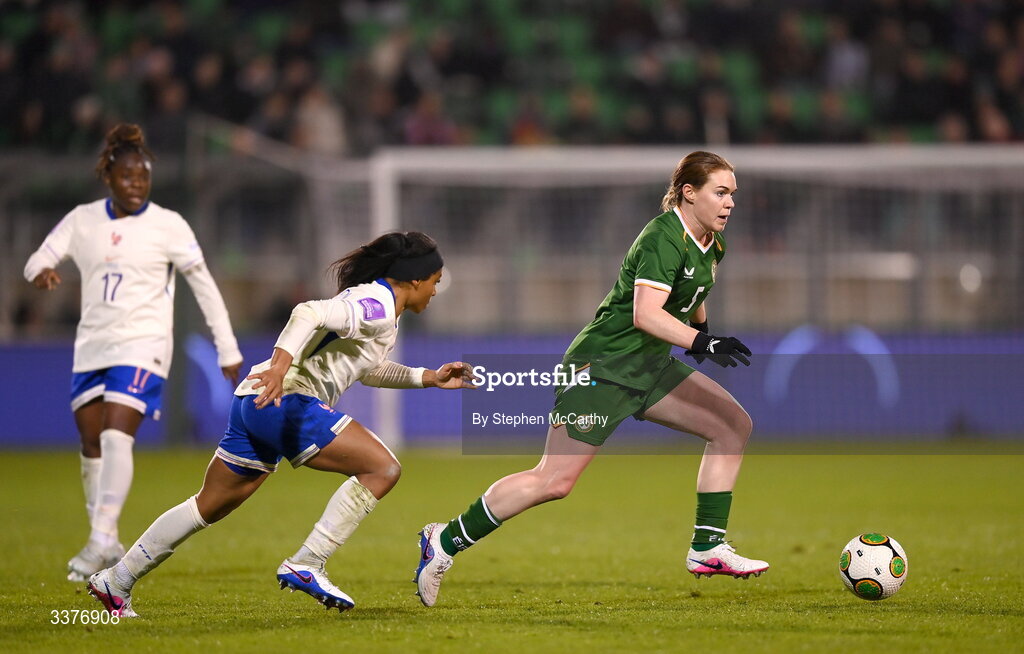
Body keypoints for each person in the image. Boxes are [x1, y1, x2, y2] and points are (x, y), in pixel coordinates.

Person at [414, 151, 768, 607]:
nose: (730, 203)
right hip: (602, 367)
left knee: (732, 425)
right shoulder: (663, 238)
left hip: (648, 366)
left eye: (732, 194)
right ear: (689, 193)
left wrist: (703, 334)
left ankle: (707, 548)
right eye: (720, 192)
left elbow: (692, 296)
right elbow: (645, 314)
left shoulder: (712, 242)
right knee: (553, 482)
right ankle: (443, 542)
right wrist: (701, 345)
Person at [87, 232, 474, 617]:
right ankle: (308, 562)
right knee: (383, 468)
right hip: (284, 398)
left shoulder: (381, 311)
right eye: (436, 282)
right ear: (414, 279)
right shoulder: (374, 304)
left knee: (206, 506)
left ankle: (116, 580)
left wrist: (429, 376)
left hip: (253, 401)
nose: (436, 291)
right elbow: (307, 312)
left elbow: (367, 368)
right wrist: (280, 368)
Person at [23, 123, 243, 582]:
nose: (137, 185)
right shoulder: (83, 220)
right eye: (128, 177)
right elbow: (37, 258)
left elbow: (203, 285)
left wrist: (227, 345)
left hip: (144, 345)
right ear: (109, 176)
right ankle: (105, 535)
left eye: (143, 178)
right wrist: (40, 271)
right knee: (90, 442)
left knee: (115, 434)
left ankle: (100, 541)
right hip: (92, 347)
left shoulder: (168, 224)